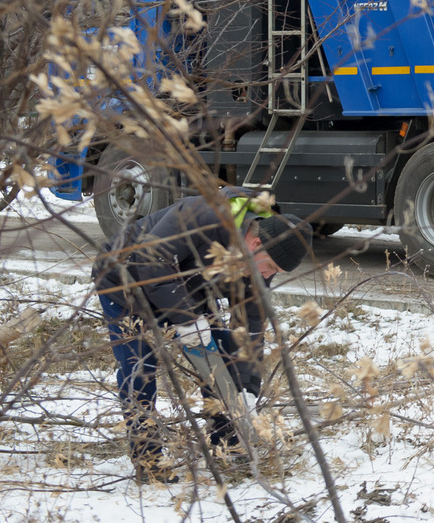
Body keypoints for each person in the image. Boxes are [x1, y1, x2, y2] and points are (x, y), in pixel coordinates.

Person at [92, 186, 312, 483]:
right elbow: (150, 260)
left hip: (183, 290)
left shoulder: (253, 267)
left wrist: (247, 388)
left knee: (223, 352)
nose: (267, 276)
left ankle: (227, 443)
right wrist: (186, 319)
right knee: (139, 369)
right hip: (125, 283)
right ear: (256, 243)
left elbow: (251, 328)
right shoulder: (204, 215)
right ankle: (149, 460)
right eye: (270, 267)